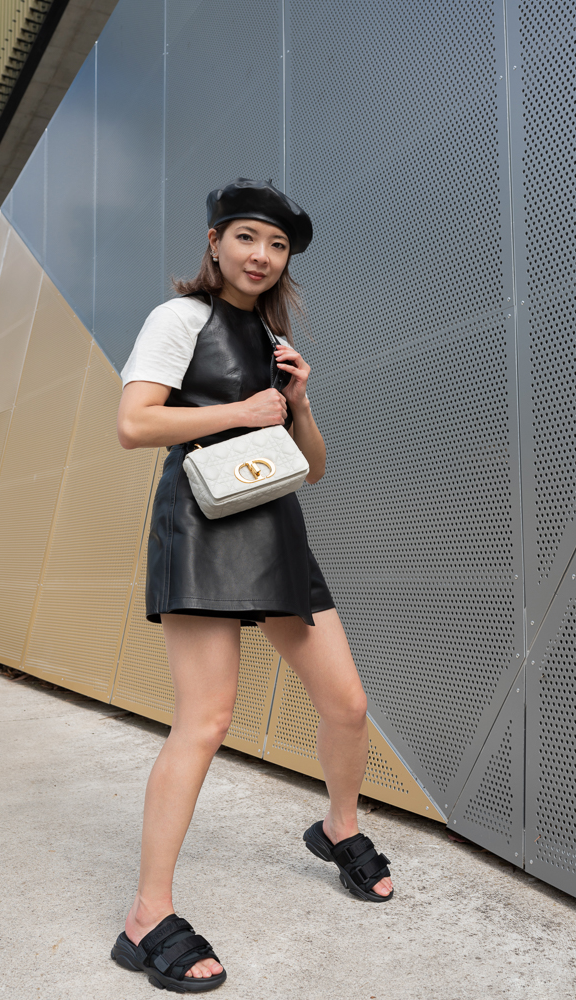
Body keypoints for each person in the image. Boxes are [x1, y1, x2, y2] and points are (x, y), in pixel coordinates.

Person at [111, 179, 393, 992]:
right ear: (213, 242)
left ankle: (336, 829)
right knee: (206, 719)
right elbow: (134, 424)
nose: (261, 256)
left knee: (345, 703)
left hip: (272, 528)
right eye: (246, 238)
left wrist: (297, 403)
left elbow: (310, 468)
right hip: (202, 530)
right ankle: (146, 916)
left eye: (276, 246)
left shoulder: (270, 336)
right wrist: (241, 412)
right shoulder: (180, 319)